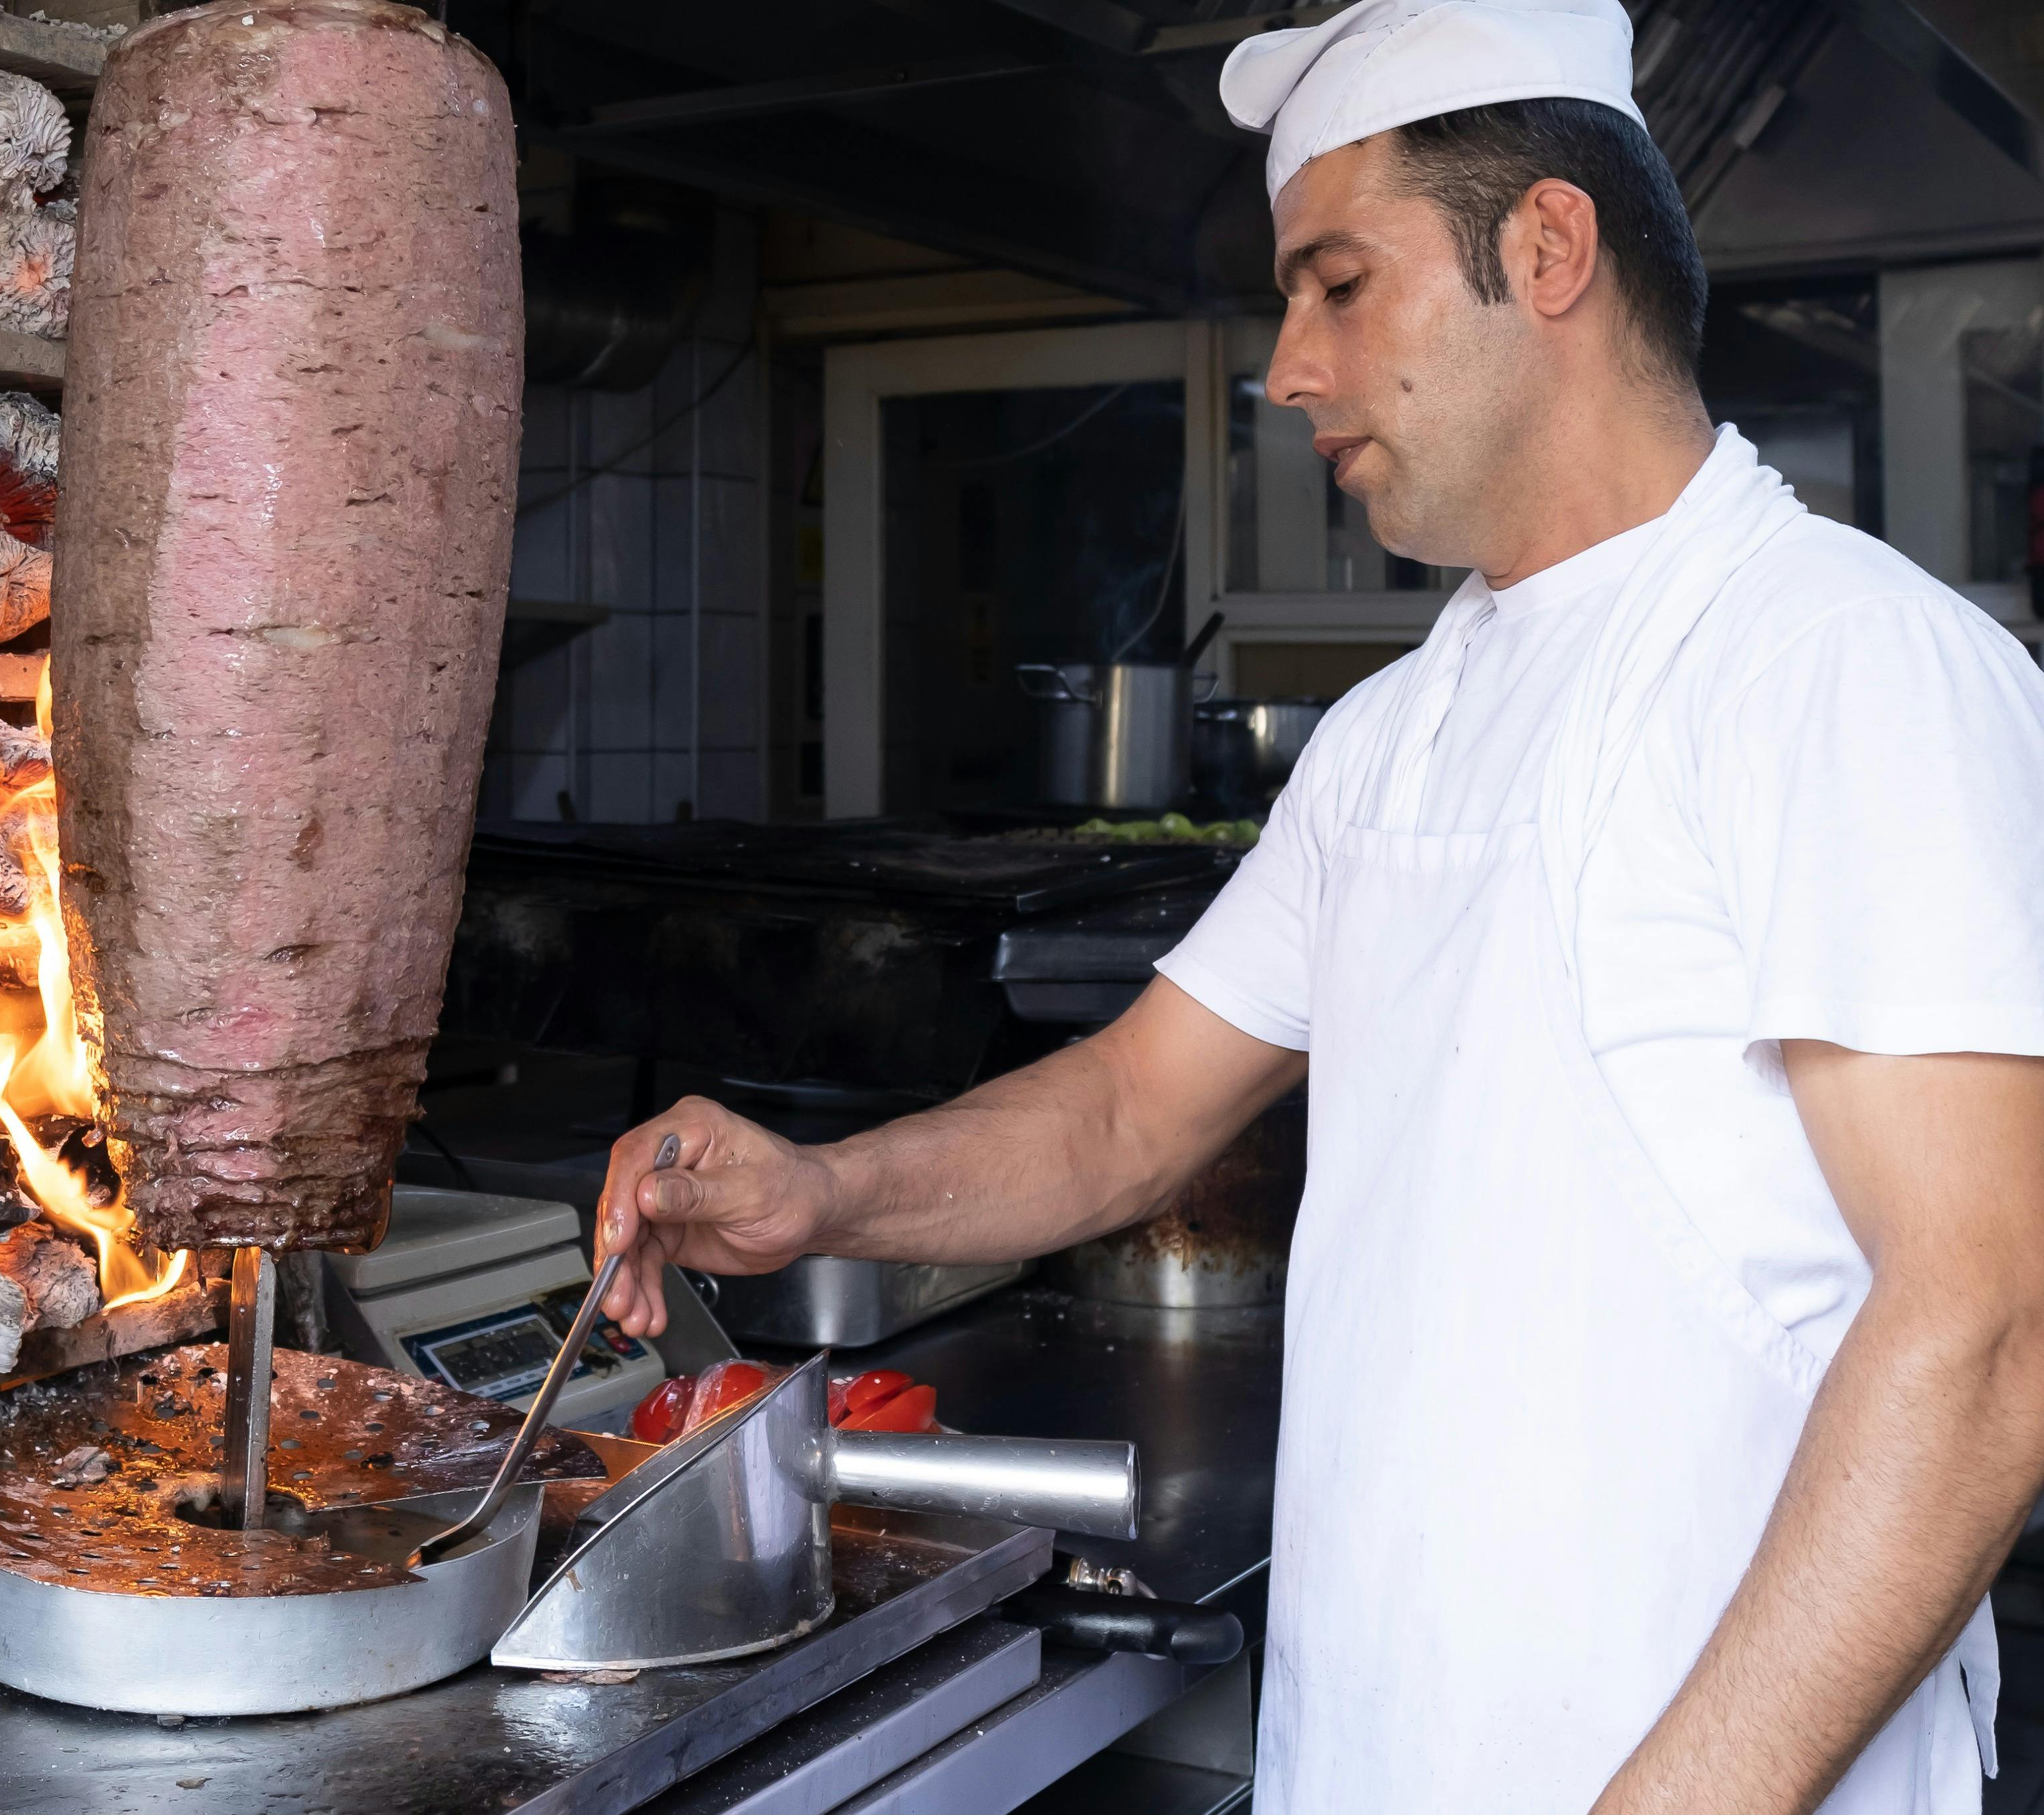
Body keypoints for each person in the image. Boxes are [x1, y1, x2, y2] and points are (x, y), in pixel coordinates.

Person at [590, 1, 2044, 1806]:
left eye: (1338, 285)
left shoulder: (1842, 667)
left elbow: (1990, 1331)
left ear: (1549, 248)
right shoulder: (1389, 738)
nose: (1288, 366)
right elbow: (1129, 1111)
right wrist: (827, 1195)